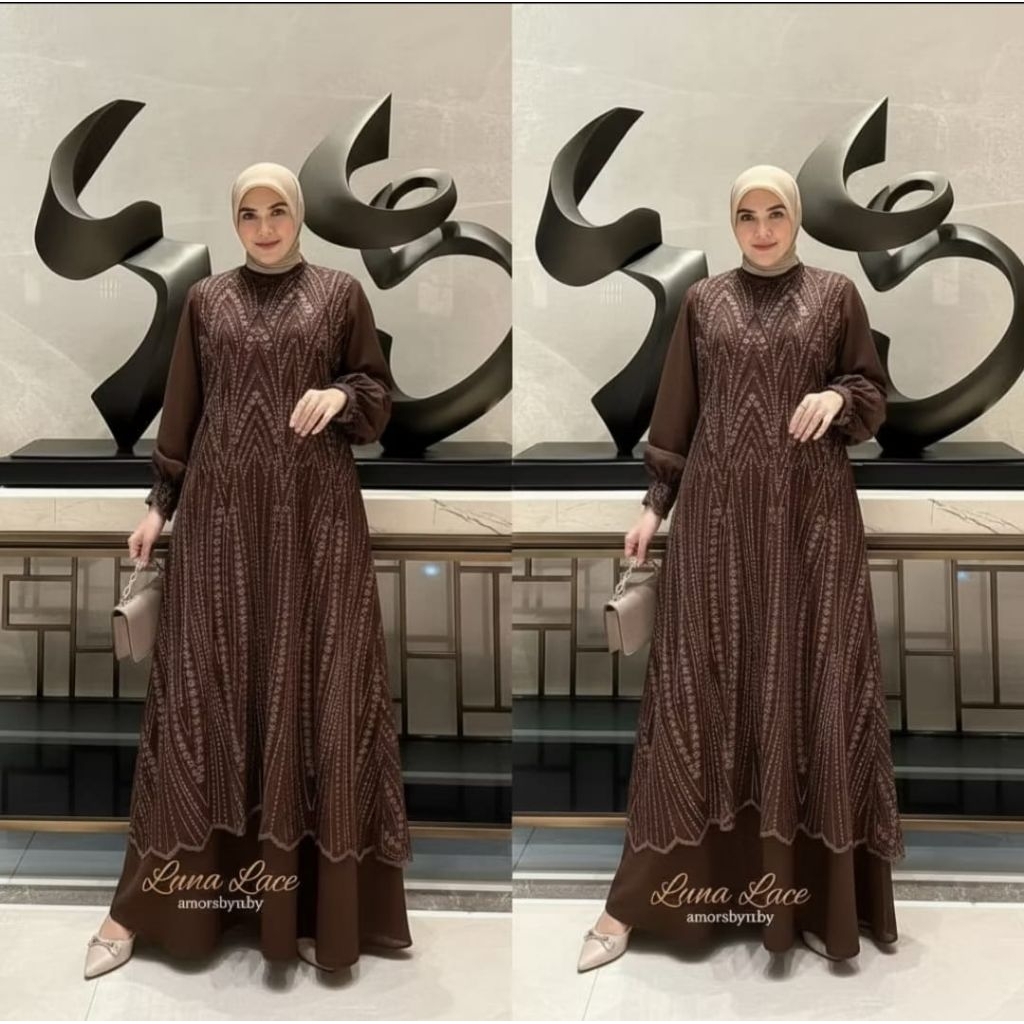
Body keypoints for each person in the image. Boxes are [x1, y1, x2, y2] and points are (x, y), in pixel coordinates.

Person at [84, 163, 412, 979]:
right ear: (234, 221)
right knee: (204, 700)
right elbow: (183, 411)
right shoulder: (206, 301)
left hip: (316, 523)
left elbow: (378, 394)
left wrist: (342, 397)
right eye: (249, 214)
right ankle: (149, 907)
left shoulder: (339, 294)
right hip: (221, 524)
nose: (265, 227)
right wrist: (159, 507)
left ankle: (312, 908)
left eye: (277, 212)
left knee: (318, 691)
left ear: (298, 215)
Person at [578, 165, 905, 972]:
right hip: (717, 525)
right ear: (732, 223)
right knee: (698, 698)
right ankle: (638, 903)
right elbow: (677, 414)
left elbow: (872, 390)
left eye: (776, 213)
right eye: (748, 216)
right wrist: (654, 506)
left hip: (810, 525)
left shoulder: (834, 296)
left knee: (810, 687)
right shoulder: (704, 302)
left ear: (796, 218)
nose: (762, 230)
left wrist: (840, 398)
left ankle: (812, 900)